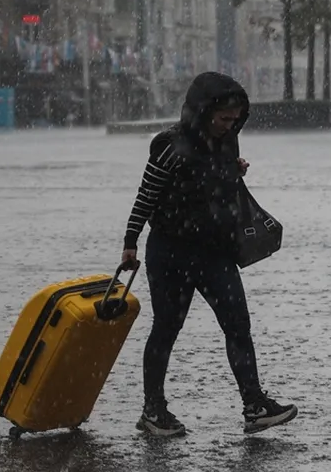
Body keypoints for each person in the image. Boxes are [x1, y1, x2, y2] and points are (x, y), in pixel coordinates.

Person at [122, 71, 297, 437]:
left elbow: (214, 184)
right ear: (202, 111)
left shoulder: (226, 142)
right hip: (171, 252)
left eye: (235, 120)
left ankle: (254, 405)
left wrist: (233, 170)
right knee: (166, 328)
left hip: (215, 251)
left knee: (238, 325)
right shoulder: (169, 147)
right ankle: (153, 410)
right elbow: (146, 195)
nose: (228, 126)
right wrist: (130, 242)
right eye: (222, 119)